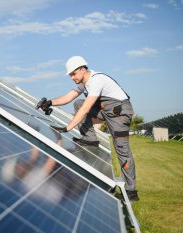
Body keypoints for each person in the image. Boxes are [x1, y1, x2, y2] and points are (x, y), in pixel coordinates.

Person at [39, 56, 139, 201]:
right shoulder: (84, 83)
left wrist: (67, 128)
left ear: (83, 69)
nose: (72, 77)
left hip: (120, 114)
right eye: (70, 75)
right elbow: (69, 97)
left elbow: (86, 109)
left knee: (122, 150)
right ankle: (90, 139)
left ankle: (131, 191)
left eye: (73, 73)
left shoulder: (96, 81)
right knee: (78, 102)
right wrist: (50, 102)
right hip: (106, 110)